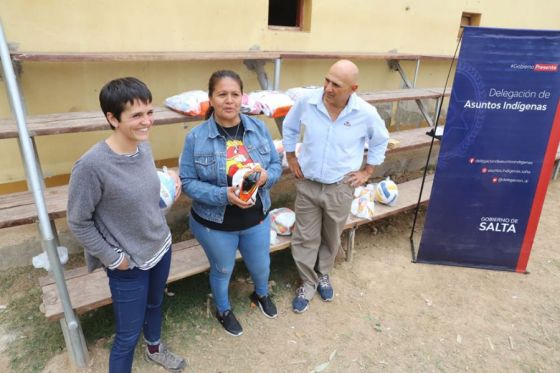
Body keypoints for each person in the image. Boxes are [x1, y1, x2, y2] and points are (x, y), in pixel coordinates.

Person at [67, 77, 187, 372]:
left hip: (160, 247)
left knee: (155, 305)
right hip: (128, 264)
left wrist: (169, 193)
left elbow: (145, 200)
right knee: (127, 335)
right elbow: (78, 222)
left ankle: (155, 348)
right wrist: (115, 259)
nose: (147, 122)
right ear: (112, 118)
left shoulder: (142, 147)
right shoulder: (91, 166)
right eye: (136, 115)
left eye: (149, 112)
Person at [180, 70, 282, 336]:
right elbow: (187, 182)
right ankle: (223, 309)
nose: (229, 100)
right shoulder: (196, 137)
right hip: (215, 223)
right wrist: (224, 195)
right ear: (211, 98)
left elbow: (274, 164)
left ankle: (261, 294)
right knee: (223, 269)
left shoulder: (258, 128)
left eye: (234, 94)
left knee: (261, 265)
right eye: (221, 94)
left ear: (242, 97)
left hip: (256, 218)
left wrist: (266, 178)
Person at [282, 59, 390, 313]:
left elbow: (380, 140)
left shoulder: (365, 113)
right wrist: (290, 156)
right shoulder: (307, 101)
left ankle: (323, 274)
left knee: (331, 235)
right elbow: (289, 126)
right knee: (305, 236)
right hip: (307, 183)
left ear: (353, 89)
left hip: (340, 186)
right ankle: (307, 282)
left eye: (336, 85)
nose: (328, 88)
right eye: (327, 80)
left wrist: (367, 171)